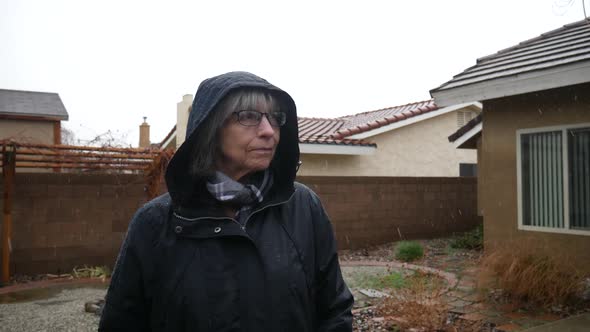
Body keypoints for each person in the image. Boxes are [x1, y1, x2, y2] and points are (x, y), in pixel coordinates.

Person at [99, 71, 354, 331]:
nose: (269, 131)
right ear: (211, 128)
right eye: (249, 116)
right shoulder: (154, 223)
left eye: (275, 118)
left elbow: (334, 310)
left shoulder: (303, 207)